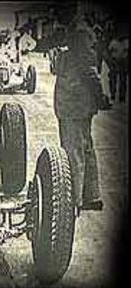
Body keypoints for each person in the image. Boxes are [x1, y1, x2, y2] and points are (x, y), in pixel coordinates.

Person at [54, 10, 110, 213]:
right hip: (77, 104)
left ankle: (73, 201)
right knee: (85, 149)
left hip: (74, 104)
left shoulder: (78, 33)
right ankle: (91, 196)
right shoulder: (74, 30)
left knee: (73, 152)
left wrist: (101, 96)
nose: (53, 13)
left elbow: (89, 71)